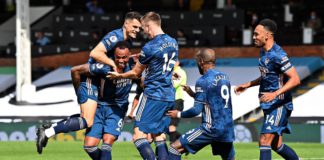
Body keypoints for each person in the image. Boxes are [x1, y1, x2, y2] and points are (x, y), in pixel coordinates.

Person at [35, 11, 142, 154]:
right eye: (135, 26)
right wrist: (113, 65)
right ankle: (48, 132)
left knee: (87, 119)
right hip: (90, 77)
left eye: (139, 28)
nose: (137, 30)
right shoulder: (115, 36)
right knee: (88, 120)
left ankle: (50, 128)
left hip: (97, 79)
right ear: (126, 23)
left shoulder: (126, 40)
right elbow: (95, 53)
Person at [108, 11, 179, 160]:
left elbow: (135, 73)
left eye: (143, 28)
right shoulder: (173, 42)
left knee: (138, 135)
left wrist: (119, 75)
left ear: (148, 26)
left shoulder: (150, 47)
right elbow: (160, 59)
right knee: (159, 134)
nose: (142, 32)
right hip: (168, 94)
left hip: (153, 94)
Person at [234, 19, 300, 160]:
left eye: (256, 34)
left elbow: (295, 79)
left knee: (264, 141)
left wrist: (274, 94)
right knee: (276, 145)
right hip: (269, 105)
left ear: (267, 35)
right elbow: (268, 76)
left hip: (279, 104)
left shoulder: (278, 55)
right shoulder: (264, 52)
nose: (253, 37)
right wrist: (248, 84)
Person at [167, 48, 236, 160]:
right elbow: (213, 101)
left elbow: (196, 110)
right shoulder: (224, 77)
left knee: (174, 148)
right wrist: (193, 94)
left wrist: (178, 114)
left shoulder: (203, 80)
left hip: (210, 128)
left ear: (201, 62)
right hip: (227, 128)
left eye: (197, 62)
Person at [83, 42, 133, 160]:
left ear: (129, 55)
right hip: (99, 107)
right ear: (113, 56)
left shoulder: (135, 65)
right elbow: (80, 70)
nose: (121, 60)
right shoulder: (104, 67)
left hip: (118, 108)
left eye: (124, 57)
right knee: (89, 146)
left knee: (107, 141)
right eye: (118, 57)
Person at [169, 61, 187, 143]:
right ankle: (185, 142)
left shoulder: (180, 72)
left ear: (178, 62)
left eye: (173, 61)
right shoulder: (171, 72)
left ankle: (172, 151)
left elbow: (174, 85)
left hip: (177, 101)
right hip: (170, 101)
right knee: (167, 127)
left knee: (172, 127)